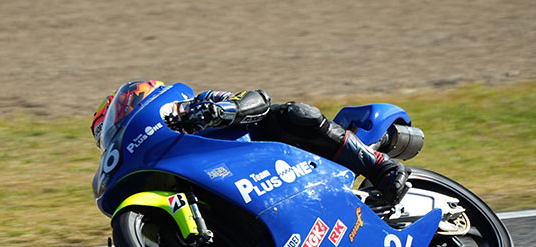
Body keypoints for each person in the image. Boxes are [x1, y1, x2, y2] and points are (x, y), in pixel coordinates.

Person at [91, 80, 410, 204]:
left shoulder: (188, 108)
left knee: (295, 114)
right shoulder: (152, 155)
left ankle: (379, 166)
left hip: (271, 153)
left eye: (114, 121)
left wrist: (219, 110)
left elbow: (255, 98)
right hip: (235, 187)